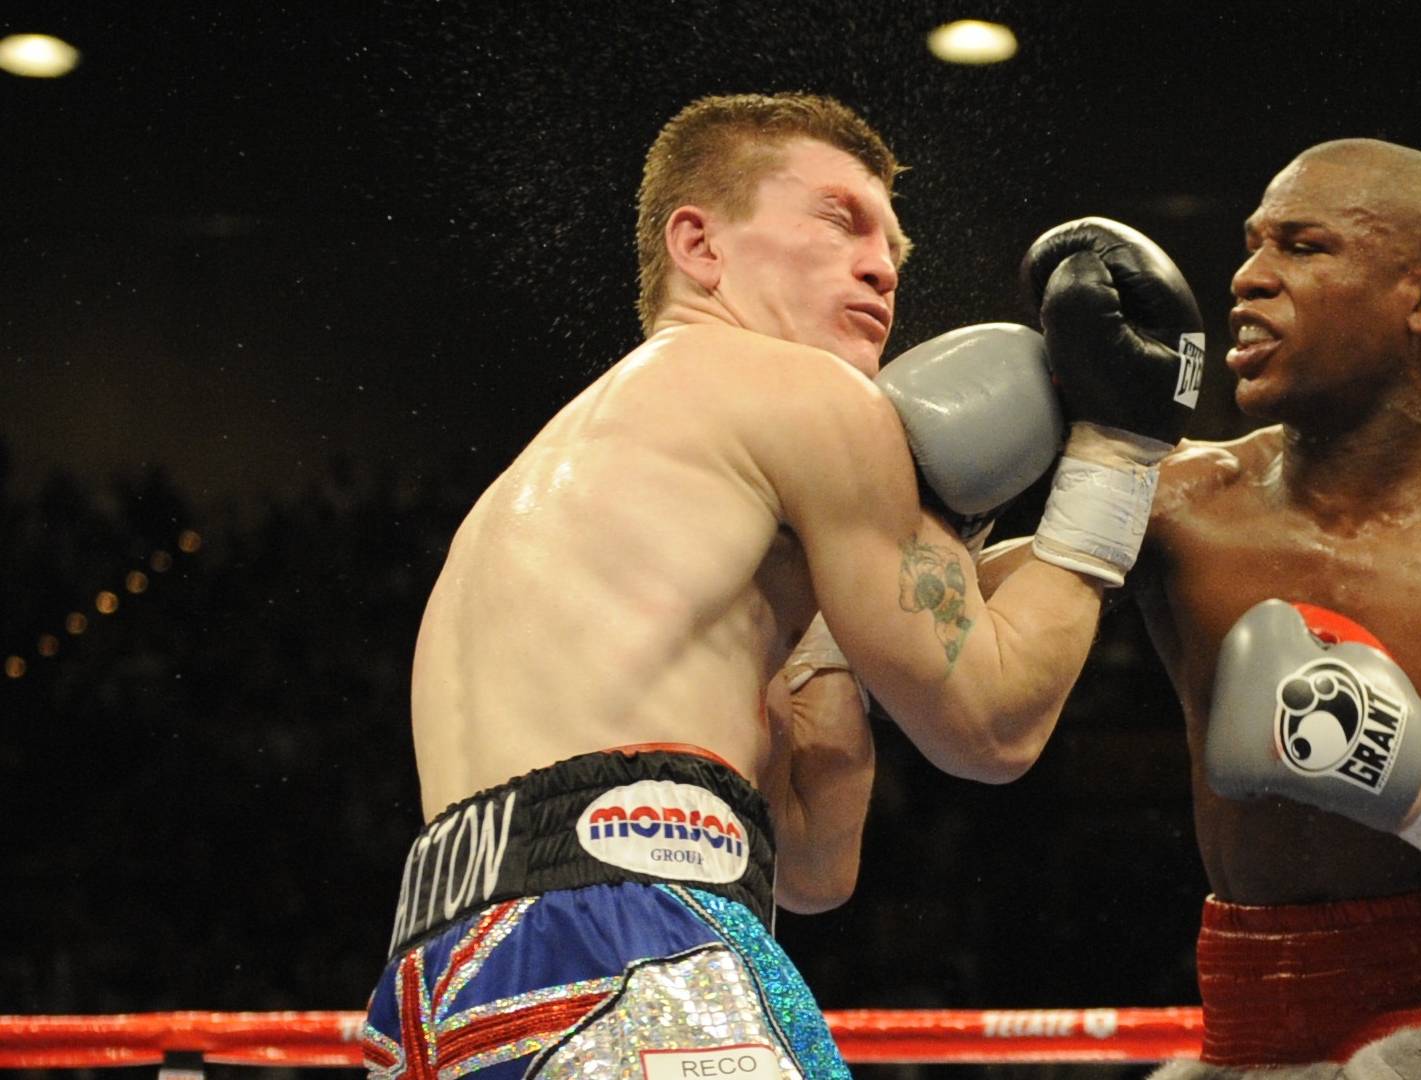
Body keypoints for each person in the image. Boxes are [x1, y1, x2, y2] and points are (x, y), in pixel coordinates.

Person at [359, 92, 1203, 1080]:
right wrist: (1117, 458)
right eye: (840, 220)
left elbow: (811, 865)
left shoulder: (577, 477)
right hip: (627, 945)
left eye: (893, 245)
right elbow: (991, 724)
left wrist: (841, 605)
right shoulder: (801, 393)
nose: (882, 265)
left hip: (443, 978)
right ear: (699, 246)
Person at [988, 139, 1421, 1079]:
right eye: (1253, 244)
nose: (1247, 277)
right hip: (1243, 1048)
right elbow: (934, 649)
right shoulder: (1180, 502)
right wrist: (977, 464)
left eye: (1303, 246)